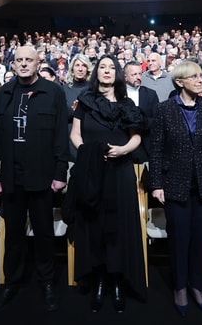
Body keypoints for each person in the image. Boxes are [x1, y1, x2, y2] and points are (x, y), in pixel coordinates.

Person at [0, 45, 70, 313]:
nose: (23, 64)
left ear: (38, 63)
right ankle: (12, 281)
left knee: (44, 233)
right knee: (13, 234)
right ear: (13, 64)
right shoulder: (3, 94)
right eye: (19, 60)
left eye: (28, 60)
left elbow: (60, 136)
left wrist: (60, 174)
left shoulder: (53, 92)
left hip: (43, 176)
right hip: (11, 178)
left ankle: (46, 282)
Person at [149, 61, 202, 316]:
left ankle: (196, 284)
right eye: (194, 77)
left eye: (201, 76)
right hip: (175, 184)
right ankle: (179, 287)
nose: (200, 80)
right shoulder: (164, 110)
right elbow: (156, 150)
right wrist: (157, 184)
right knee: (179, 238)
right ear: (179, 82)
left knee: (201, 236)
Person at [69, 55, 147, 313]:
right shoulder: (85, 102)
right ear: (96, 72)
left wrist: (123, 150)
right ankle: (99, 280)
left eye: (111, 67)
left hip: (120, 171)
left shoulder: (127, 104)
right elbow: (75, 135)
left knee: (119, 227)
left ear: (118, 74)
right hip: (92, 172)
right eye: (102, 67)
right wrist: (90, 154)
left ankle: (117, 282)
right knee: (95, 226)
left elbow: (136, 138)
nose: (106, 71)